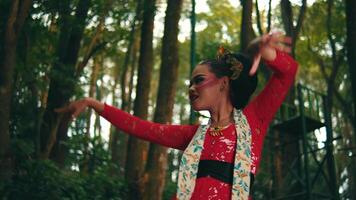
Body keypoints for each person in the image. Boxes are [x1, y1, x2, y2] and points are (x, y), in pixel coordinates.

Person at [55, 32, 298, 200]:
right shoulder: (193, 135)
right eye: (190, 82)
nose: (191, 88)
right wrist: (92, 103)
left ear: (224, 84)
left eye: (199, 80)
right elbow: (141, 127)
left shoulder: (255, 120)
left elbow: (288, 73)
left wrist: (264, 51)